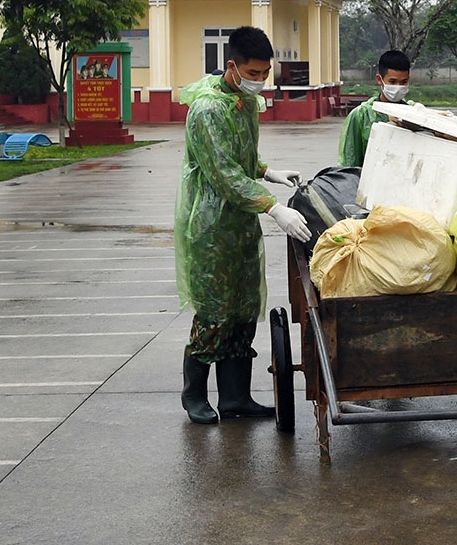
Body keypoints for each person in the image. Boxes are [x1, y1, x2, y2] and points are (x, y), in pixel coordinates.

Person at [175, 26, 312, 425]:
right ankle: (194, 395)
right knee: (215, 314)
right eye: (253, 73)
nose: (260, 81)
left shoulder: (244, 103)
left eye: (265, 73)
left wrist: (268, 172)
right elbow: (224, 174)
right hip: (212, 228)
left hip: (240, 225)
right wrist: (274, 208)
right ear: (231, 66)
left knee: (243, 311)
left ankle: (235, 397)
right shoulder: (207, 110)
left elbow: (242, 157)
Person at [338, 50, 412, 167]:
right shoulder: (362, 116)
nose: (398, 87)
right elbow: (349, 161)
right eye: (392, 82)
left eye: (403, 82)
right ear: (379, 79)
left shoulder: (414, 114)